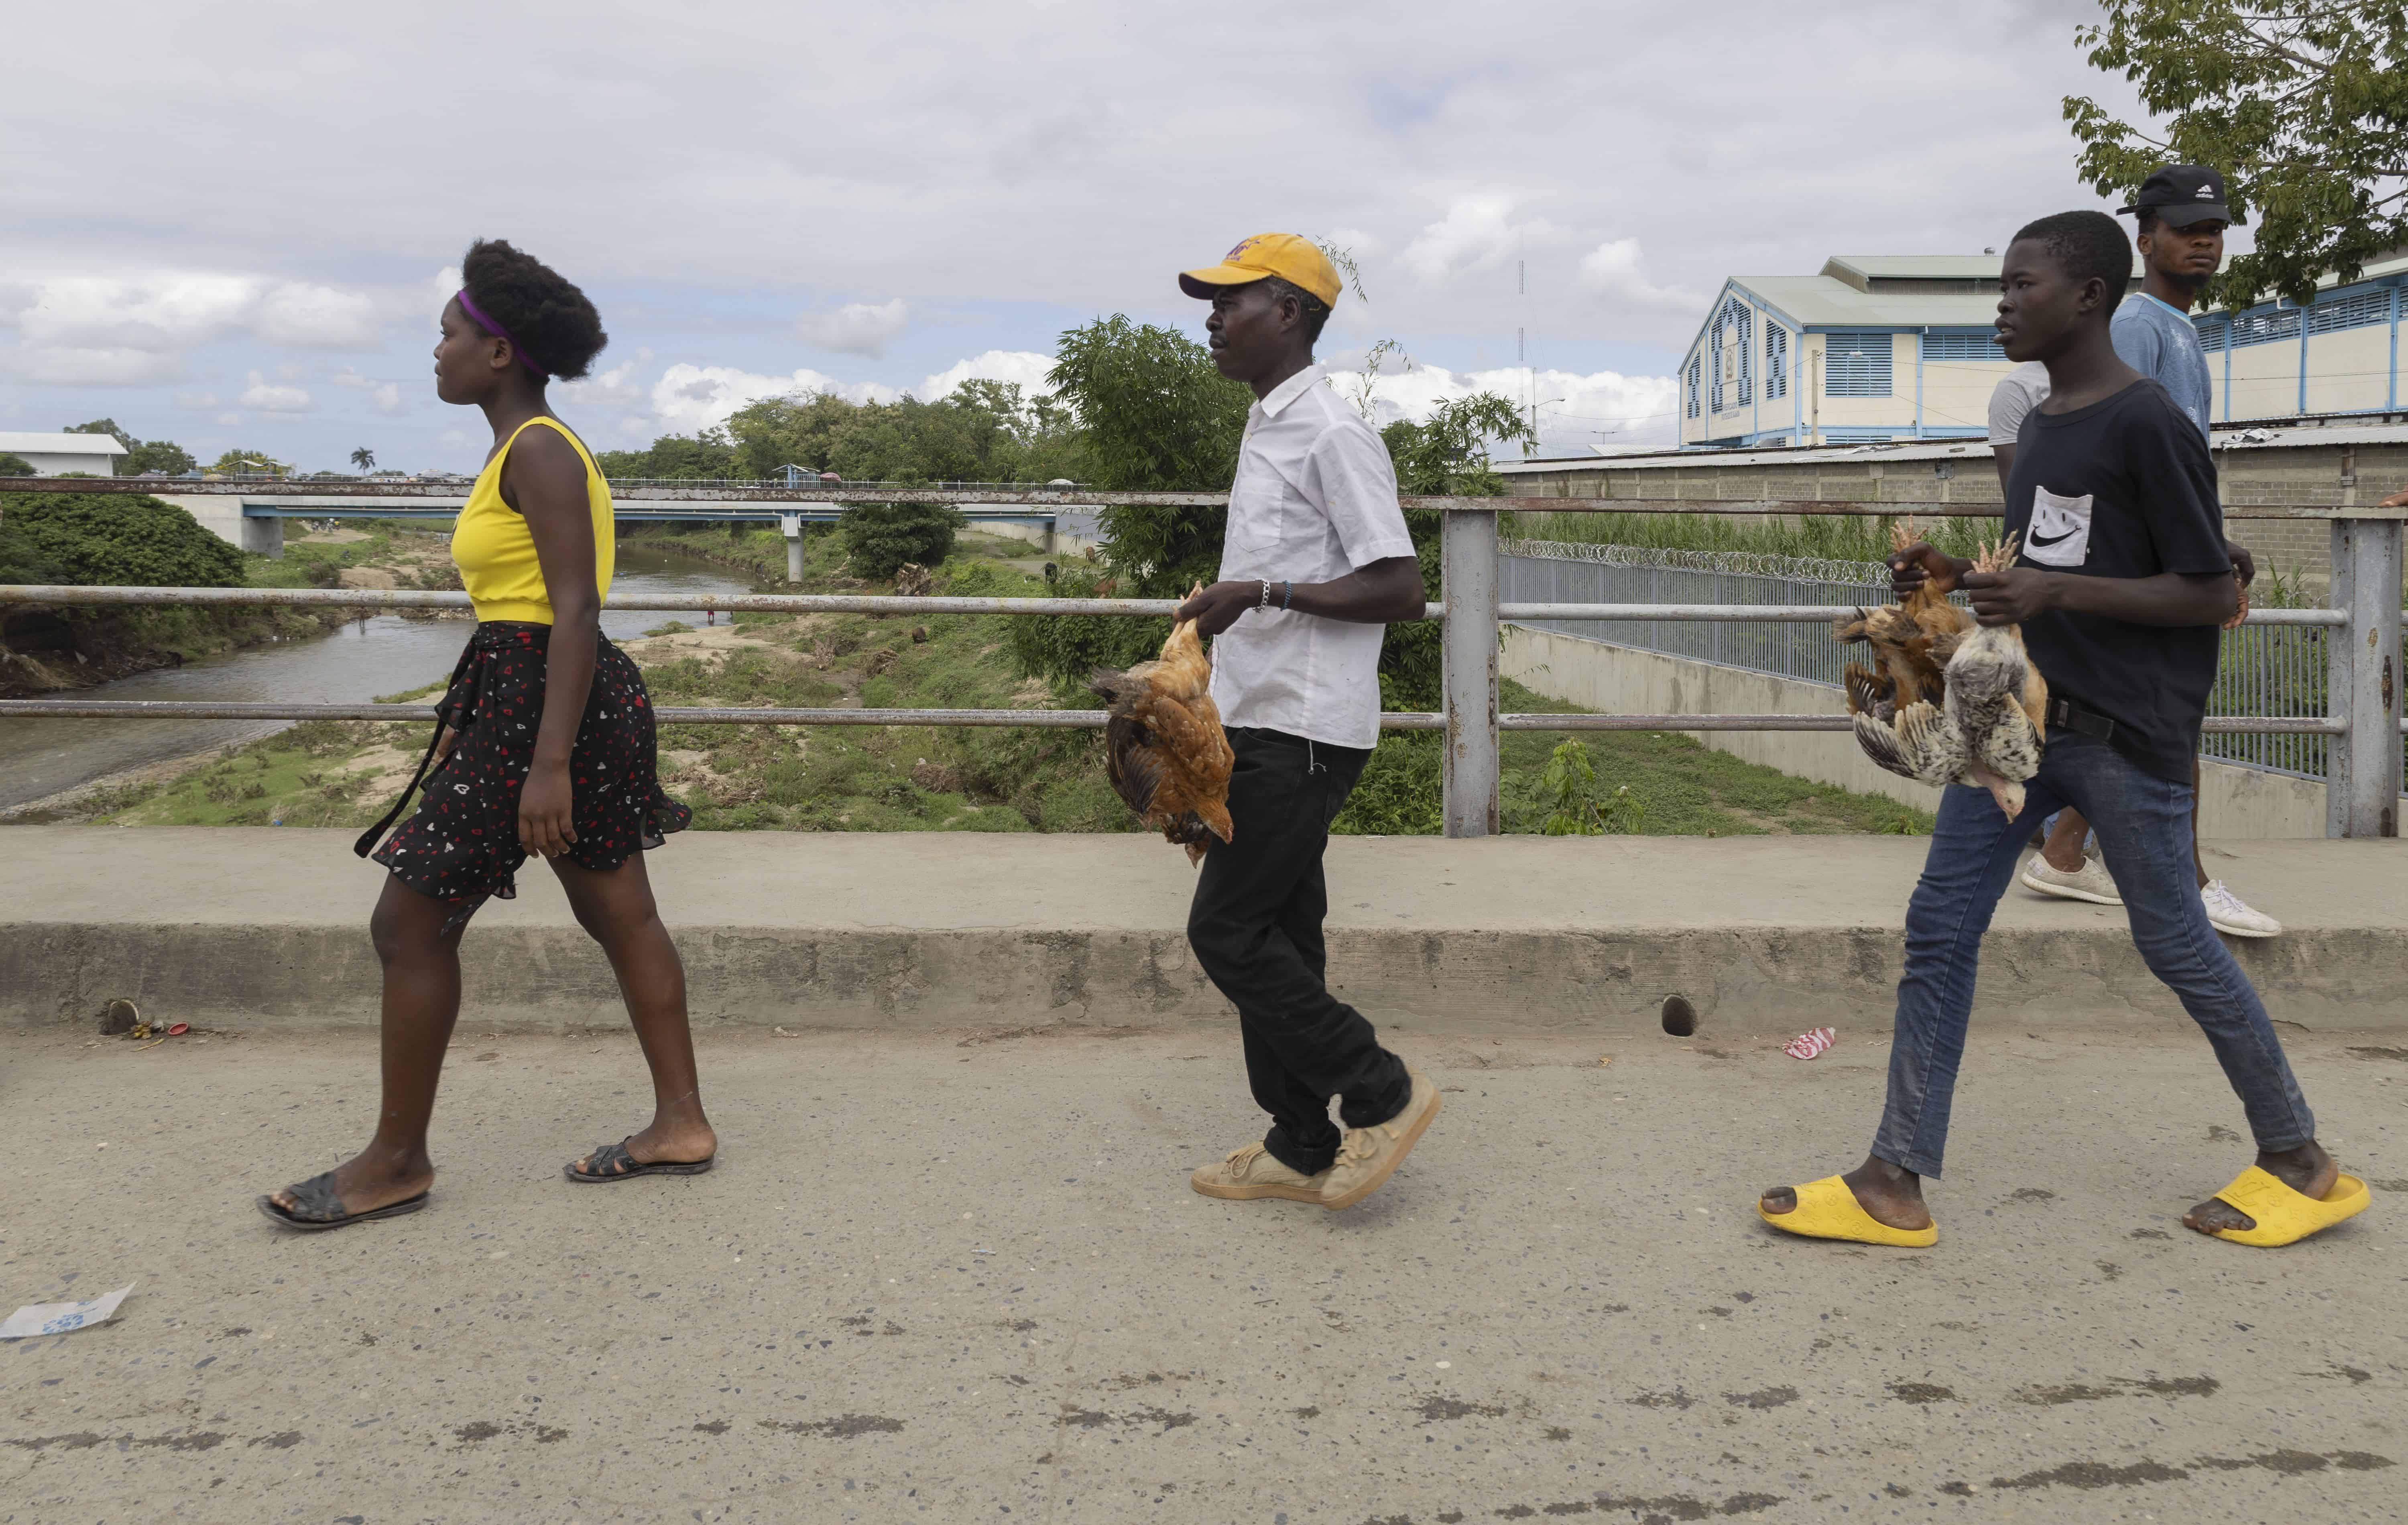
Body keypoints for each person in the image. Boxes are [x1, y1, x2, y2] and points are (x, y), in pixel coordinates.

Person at [1759, 211, 2366, 1250]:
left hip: (2126, 737)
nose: (2002, 304)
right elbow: (2049, 575)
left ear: (2088, 296)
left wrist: (2053, 588)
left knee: (2177, 941)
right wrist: (1963, 579)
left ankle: (2300, 1162)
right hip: (2017, 731)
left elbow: (2207, 587)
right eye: (2002, 285)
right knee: (1939, 930)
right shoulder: (2041, 427)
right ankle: (1892, 1181)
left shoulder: (2147, 424)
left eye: (2021, 285)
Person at [260, 239, 713, 1230]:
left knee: (409, 925)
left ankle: (395, 1161)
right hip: (539, 693)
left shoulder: (542, 450)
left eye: (449, 333)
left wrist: (547, 762)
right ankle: (680, 1124)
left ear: (499, 351)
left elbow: (576, 609)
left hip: (543, 701)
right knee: (621, 914)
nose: (437, 350)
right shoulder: (521, 449)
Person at [1171, 233, 1442, 1212]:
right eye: (1211, 300)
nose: (1212, 316)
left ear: (1288, 313)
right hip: (1255, 718)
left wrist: (1264, 588)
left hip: (1309, 728)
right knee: (1284, 929)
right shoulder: (1268, 423)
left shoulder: (1330, 430)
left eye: (1231, 300)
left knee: (1229, 932)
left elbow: (1400, 587)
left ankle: (1382, 1090)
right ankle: (1298, 1140)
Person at [2016, 166, 2278, 937]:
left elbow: (2167, 467)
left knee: (2143, 724)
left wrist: (2209, 540)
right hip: (2135, 572)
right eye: (2186, 229)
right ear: (2146, 238)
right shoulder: (2135, 325)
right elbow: (2109, 454)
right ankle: (2184, 885)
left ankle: (2067, 853)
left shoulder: (2175, 327)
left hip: (2170, 553)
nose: (2205, 241)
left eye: (2216, 230)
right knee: (2166, 723)